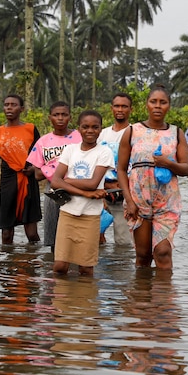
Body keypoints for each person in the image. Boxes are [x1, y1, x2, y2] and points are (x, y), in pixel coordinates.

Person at [117, 85, 188, 269]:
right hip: (138, 200)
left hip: (167, 202)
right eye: (153, 102)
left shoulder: (177, 133)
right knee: (142, 256)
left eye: (163, 102)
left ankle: (163, 297)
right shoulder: (132, 131)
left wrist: (168, 164)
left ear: (169, 106)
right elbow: (121, 168)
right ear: (146, 105)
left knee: (163, 252)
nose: (158, 106)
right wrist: (129, 201)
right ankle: (141, 296)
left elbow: (186, 169)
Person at [48, 110, 114, 276]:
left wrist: (67, 180)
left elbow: (93, 183)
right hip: (68, 213)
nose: (90, 130)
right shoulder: (70, 150)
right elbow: (55, 182)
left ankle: (84, 300)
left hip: (90, 215)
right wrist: (86, 194)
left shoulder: (104, 152)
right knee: (60, 266)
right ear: (78, 129)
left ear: (100, 129)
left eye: (95, 127)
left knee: (86, 267)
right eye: (85, 127)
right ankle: (63, 300)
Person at [0, 94, 42, 244]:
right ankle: (6, 262)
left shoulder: (30, 129)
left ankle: (33, 263)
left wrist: (34, 169)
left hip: (28, 182)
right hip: (8, 183)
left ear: (21, 109)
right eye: (6, 105)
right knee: (6, 234)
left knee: (31, 234)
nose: (9, 108)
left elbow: (39, 156)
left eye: (13, 104)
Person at [27, 101, 82, 251]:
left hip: (77, 185)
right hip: (53, 189)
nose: (60, 118)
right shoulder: (43, 141)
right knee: (53, 231)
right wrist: (52, 172)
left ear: (70, 117)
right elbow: (37, 174)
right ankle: (55, 266)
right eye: (56, 115)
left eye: (64, 115)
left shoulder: (79, 137)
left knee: (77, 230)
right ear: (50, 117)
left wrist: (48, 169)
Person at [98, 92, 133, 247]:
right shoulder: (101, 134)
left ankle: (121, 270)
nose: (120, 109)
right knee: (96, 239)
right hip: (101, 192)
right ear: (111, 108)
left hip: (126, 194)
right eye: (117, 106)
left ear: (130, 109)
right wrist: (102, 188)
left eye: (124, 106)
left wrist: (123, 187)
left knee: (123, 242)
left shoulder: (135, 133)